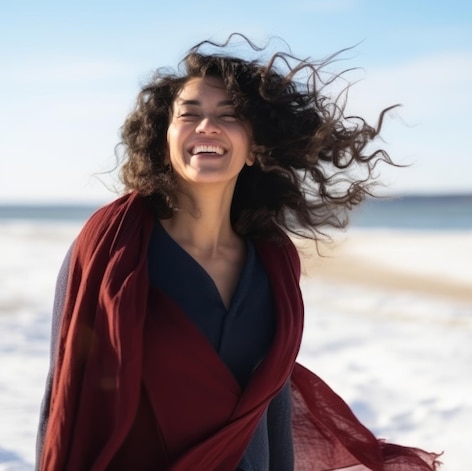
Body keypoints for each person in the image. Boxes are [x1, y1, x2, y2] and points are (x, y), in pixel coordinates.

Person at [36, 35, 441, 471]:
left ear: (254, 149)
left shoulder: (273, 259)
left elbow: (273, 402)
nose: (207, 126)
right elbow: (68, 395)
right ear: (163, 138)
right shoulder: (114, 242)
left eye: (228, 117)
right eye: (189, 115)